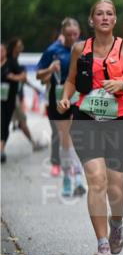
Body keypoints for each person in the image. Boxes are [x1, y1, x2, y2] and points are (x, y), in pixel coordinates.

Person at [58, 0, 123, 255]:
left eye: (110, 13)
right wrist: (66, 97)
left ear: (115, 19)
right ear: (91, 20)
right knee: (97, 181)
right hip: (86, 119)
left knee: (116, 190)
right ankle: (102, 244)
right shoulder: (79, 49)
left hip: (119, 121)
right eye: (100, 13)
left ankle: (116, 224)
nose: (105, 17)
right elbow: (71, 80)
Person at [37, 19, 86, 195]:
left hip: (78, 97)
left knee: (76, 137)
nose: (73, 38)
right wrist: (50, 69)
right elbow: (38, 74)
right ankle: (67, 176)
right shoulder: (53, 50)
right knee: (65, 139)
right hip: (57, 98)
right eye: (69, 35)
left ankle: (79, 176)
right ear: (62, 34)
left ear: (79, 33)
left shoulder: (84, 49)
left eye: (75, 34)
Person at [1, 37, 45, 163]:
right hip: (8, 99)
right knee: (12, 123)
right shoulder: (10, 61)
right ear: (14, 47)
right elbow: (21, 77)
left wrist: (32, 87)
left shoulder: (12, 62)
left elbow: (23, 78)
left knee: (20, 122)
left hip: (10, 98)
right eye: (20, 45)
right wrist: (16, 77)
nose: (22, 47)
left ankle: (32, 143)